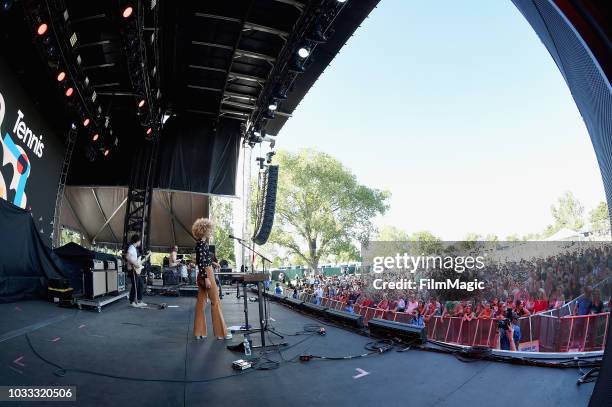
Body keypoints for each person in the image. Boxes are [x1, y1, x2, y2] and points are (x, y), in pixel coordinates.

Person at [192, 218, 231, 340]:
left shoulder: (199, 244)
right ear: (204, 231)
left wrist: (214, 263)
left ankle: (199, 332)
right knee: (215, 302)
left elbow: (201, 260)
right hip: (206, 274)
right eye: (209, 230)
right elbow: (202, 264)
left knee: (201, 303)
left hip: (203, 274)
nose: (210, 232)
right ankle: (221, 333)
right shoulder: (203, 244)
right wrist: (207, 278)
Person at [126, 234, 147, 308]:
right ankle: (132, 302)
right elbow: (127, 256)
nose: (140, 243)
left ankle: (139, 300)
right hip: (133, 269)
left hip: (136, 269)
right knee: (135, 286)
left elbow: (135, 260)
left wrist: (137, 263)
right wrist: (135, 263)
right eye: (140, 241)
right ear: (137, 241)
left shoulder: (134, 248)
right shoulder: (131, 247)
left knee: (140, 284)